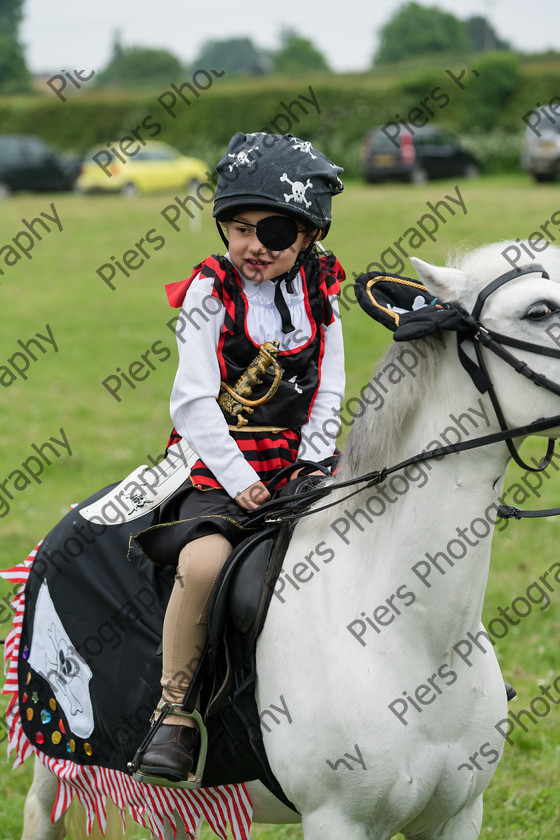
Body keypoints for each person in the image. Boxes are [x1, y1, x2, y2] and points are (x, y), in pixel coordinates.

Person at [135, 131, 345, 782]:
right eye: (240, 227)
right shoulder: (209, 292)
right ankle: (173, 715)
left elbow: (329, 385)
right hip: (217, 465)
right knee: (202, 565)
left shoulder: (321, 294)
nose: (254, 245)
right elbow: (192, 402)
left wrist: (311, 463)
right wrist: (241, 480)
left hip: (298, 465)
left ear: (307, 238)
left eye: (274, 232)